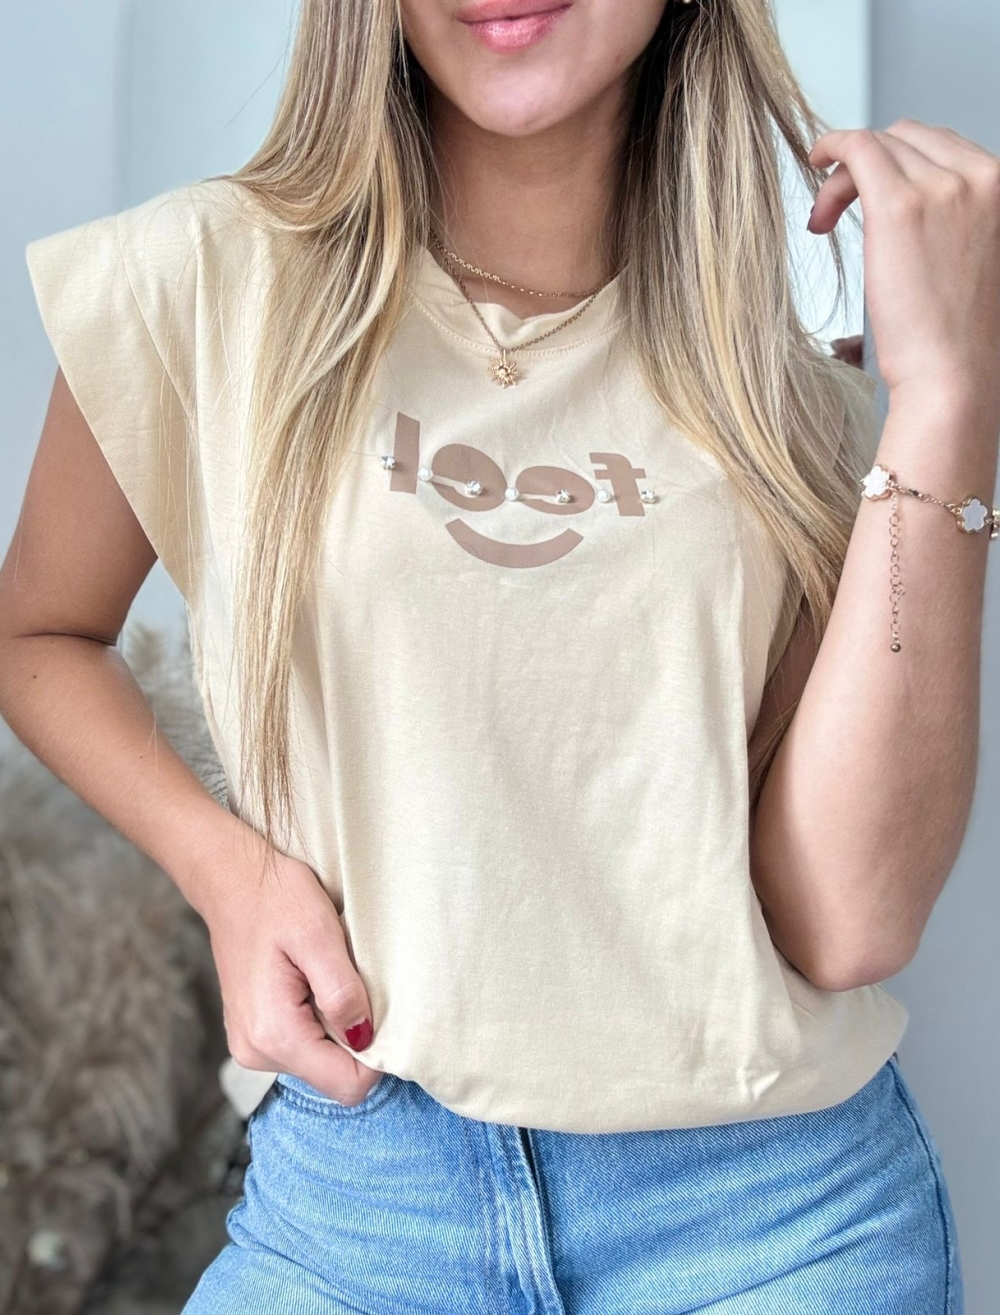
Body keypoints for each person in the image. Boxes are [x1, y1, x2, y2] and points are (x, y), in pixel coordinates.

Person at [2, 0, 997, 1309]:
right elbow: (37, 635)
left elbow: (847, 921)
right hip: (355, 1208)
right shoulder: (200, 281)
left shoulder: (788, 382)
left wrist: (948, 397)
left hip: (773, 1227)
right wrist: (228, 874)